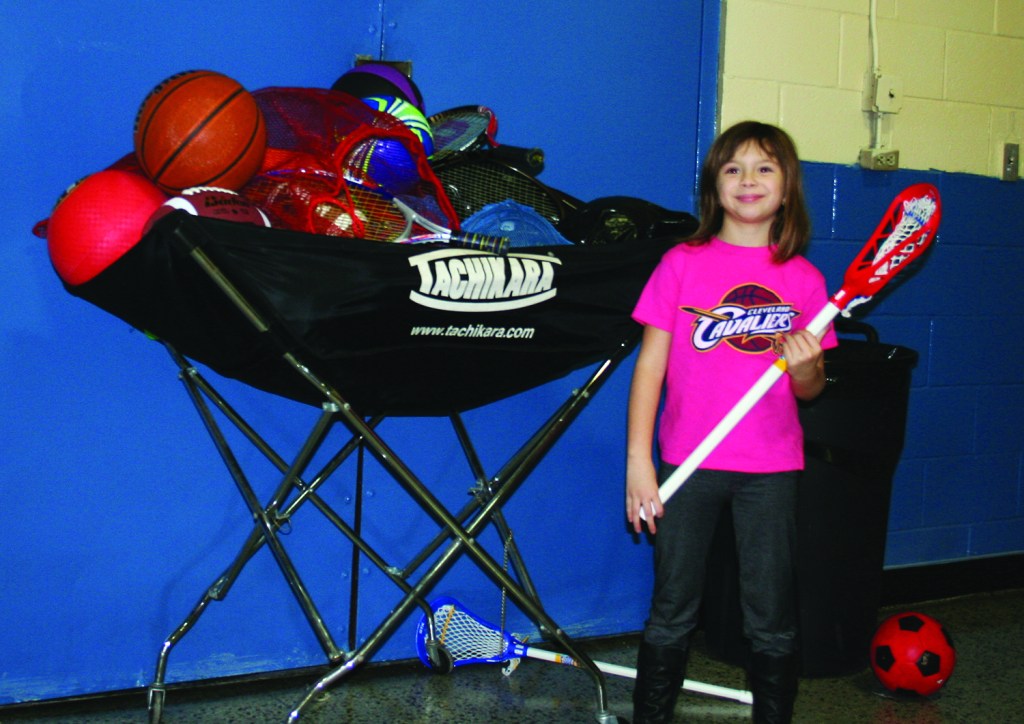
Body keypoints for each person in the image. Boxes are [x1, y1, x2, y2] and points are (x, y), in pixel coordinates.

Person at [626, 121, 838, 723]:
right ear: (713, 185)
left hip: (771, 468)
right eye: (733, 168)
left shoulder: (804, 280)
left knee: (770, 615)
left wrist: (804, 367)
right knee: (672, 606)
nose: (749, 180)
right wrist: (640, 463)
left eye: (765, 168)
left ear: (787, 186)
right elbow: (651, 367)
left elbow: (812, 390)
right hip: (685, 464)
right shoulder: (682, 264)